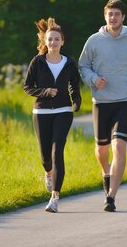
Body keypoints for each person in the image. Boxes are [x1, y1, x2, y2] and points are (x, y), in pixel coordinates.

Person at [78, 0, 127, 212]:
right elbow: (83, 65)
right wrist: (93, 79)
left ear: (123, 17)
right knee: (102, 150)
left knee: (119, 145)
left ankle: (111, 197)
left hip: (125, 100)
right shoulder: (93, 41)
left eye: (117, 14)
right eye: (110, 14)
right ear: (105, 16)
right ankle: (105, 172)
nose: (113, 18)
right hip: (101, 101)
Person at [23, 17, 81, 213]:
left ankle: (55, 197)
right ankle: (48, 173)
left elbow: (74, 85)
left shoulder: (69, 63)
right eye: (50, 40)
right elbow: (27, 87)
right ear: (45, 42)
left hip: (64, 111)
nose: (53, 43)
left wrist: (77, 101)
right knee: (45, 155)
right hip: (41, 111)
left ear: (62, 42)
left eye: (57, 39)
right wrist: (45, 92)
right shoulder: (37, 62)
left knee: (57, 152)